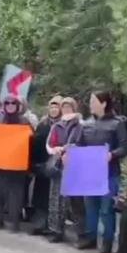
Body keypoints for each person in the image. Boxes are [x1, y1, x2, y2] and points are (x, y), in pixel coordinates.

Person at [75, 91, 127, 253]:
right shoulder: (86, 124)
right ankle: (91, 238)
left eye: (93, 101)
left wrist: (112, 154)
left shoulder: (117, 123)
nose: (90, 104)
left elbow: (125, 147)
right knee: (90, 207)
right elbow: (79, 145)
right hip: (90, 172)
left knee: (106, 209)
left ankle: (107, 241)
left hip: (109, 172)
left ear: (104, 103)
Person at [0, 95, 33, 231]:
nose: (10, 105)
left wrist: (30, 136)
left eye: (13, 103)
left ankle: (14, 222)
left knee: (15, 195)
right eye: (7, 103)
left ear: (18, 105)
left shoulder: (24, 122)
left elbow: (31, 143)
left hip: (17, 165)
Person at [46, 97, 83, 243]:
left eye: (69, 107)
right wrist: (55, 150)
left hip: (73, 166)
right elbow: (49, 144)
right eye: (64, 107)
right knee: (55, 199)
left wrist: (68, 149)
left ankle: (79, 232)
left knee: (71, 201)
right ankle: (56, 230)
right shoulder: (57, 125)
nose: (66, 110)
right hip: (58, 165)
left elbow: (80, 142)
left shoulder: (79, 125)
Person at [30, 95, 63, 234]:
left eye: (57, 106)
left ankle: (53, 226)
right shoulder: (43, 124)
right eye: (52, 106)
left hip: (57, 166)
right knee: (40, 195)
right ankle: (40, 223)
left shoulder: (64, 124)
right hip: (42, 164)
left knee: (54, 197)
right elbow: (36, 144)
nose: (54, 109)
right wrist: (34, 163)